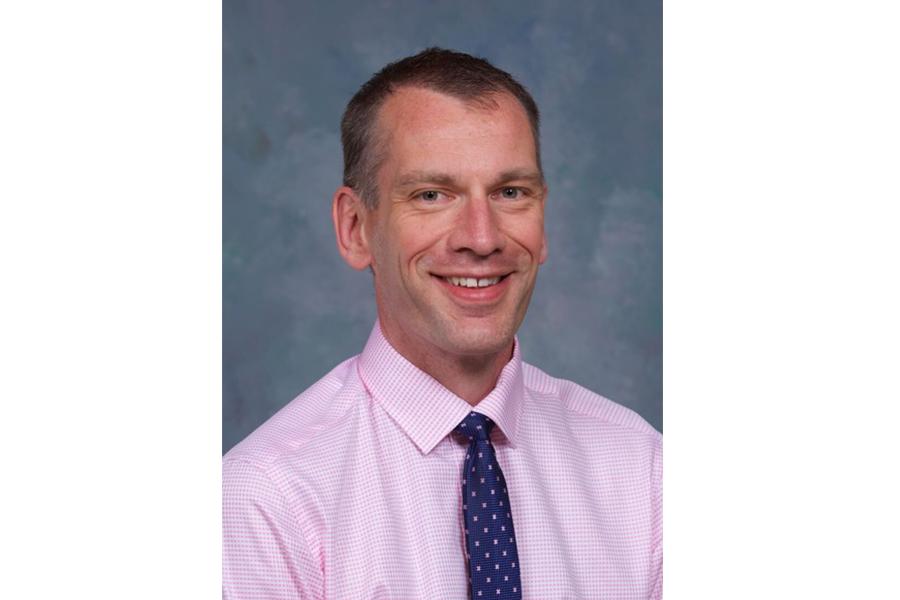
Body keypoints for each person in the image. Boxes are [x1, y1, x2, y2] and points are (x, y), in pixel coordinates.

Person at [223, 48, 661, 600]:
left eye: (510, 193)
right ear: (356, 228)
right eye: (432, 195)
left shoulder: (641, 468)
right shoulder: (267, 499)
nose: (482, 237)